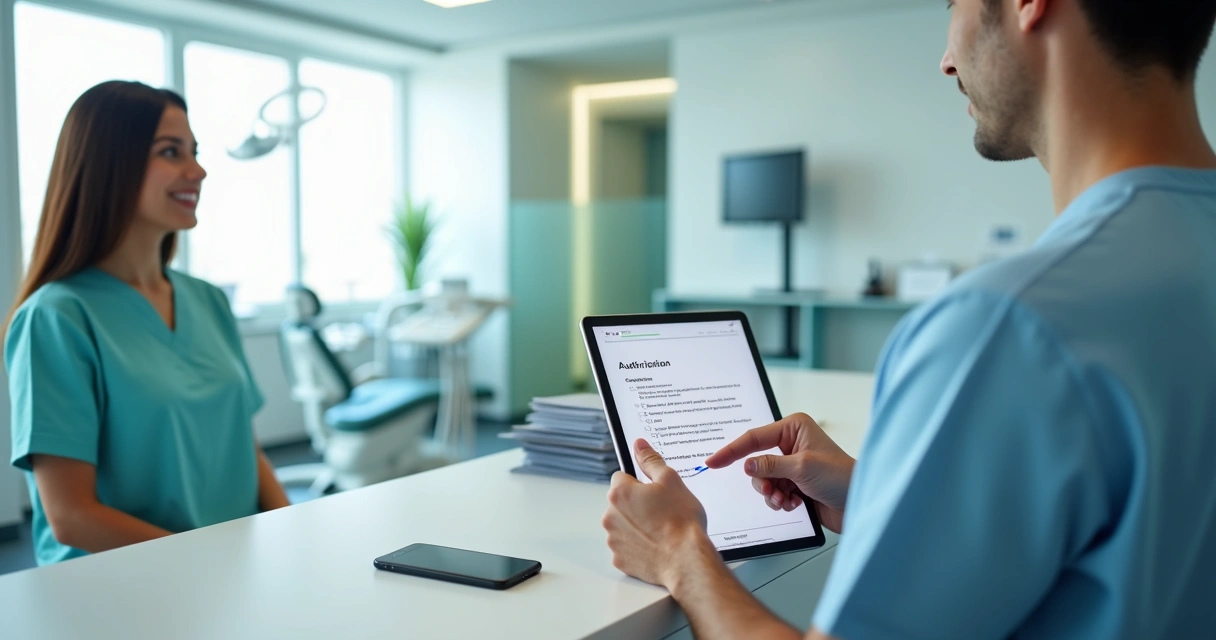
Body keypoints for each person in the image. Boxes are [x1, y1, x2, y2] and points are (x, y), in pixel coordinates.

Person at [601, 0, 1216, 637]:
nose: (948, 60)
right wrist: (879, 496)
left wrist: (679, 551)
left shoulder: (1003, 325)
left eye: (955, 6)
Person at [4, 81, 291, 566]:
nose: (197, 171)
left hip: (231, 576)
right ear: (108, 165)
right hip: (123, 587)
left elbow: (246, 451)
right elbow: (71, 515)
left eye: (194, 152)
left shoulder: (208, 301)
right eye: (170, 152)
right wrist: (205, 563)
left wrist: (293, 534)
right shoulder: (57, 317)